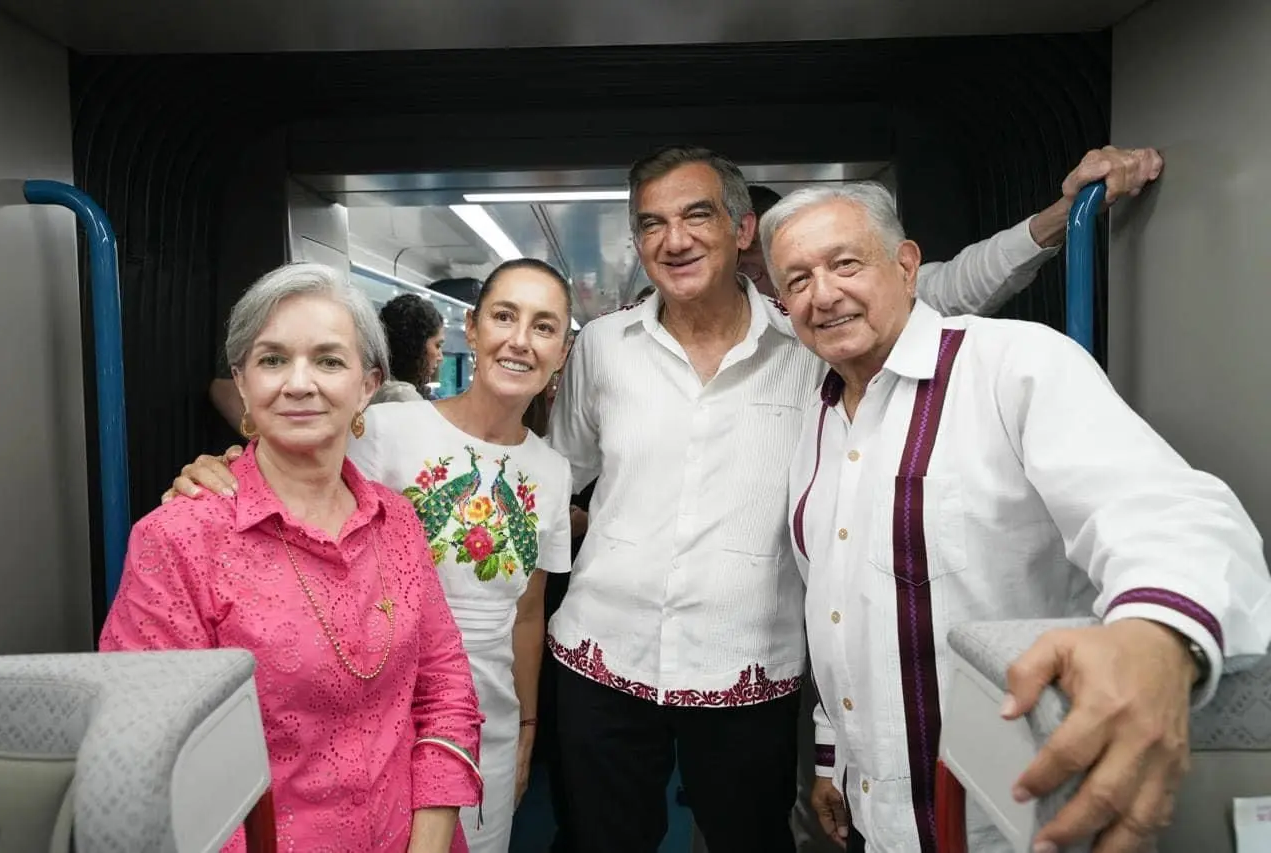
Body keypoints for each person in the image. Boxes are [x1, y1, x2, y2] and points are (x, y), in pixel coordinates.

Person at [544, 143, 1164, 853]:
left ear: (741, 229)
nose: (674, 239)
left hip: (748, 666)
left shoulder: (811, 341)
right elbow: (558, 470)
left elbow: (947, 289)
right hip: (600, 654)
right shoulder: (603, 345)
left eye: (696, 215)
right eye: (651, 223)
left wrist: (1061, 216)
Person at [763, 182, 1271, 853]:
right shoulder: (819, 418)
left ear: (908, 263)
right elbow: (836, 613)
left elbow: (1165, 507)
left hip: (1015, 816)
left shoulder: (1013, 364)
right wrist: (834, 762)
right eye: (797, 279)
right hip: (876, 818)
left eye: (845, 264)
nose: (822, 294)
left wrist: (1156, 635)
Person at [161, 258, 575, 853]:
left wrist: (530, 725)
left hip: (479, 709)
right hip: (374, 697)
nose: (519, 339)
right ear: (474, 329)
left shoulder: (553, 472)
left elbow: (529, 611)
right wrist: (223, 467)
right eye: (504, 316)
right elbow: (300, 460)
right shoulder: (387, 428)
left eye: (544, 326)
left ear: (562, 351)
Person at [102, 262, 483, 853]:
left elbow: (445, 689)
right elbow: (145, 755)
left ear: (367, 385)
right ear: (244, 382)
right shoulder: (179, 539)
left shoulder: (396, 522)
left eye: (329, 360)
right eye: (272, 359)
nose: (298, 383)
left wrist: (429, 843)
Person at [374, 292, 447, 403]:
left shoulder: (378, 388)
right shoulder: (403, 397)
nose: (440, 357)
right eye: (437, 345)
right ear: (416, 346)